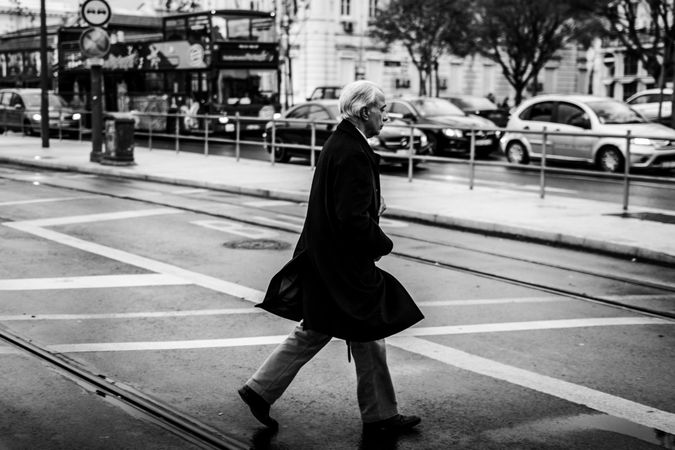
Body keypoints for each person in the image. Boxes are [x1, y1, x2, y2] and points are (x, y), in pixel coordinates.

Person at [238, 80, 424, 434]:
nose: (387, 114)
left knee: (323, 329)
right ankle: (380, 416)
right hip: (344, 264)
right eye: (382, 108)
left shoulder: (340, 143)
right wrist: (381, 242)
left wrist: (371, 202)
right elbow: (350, 217)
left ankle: (260, 390)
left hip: (326, 258)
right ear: (364, 110)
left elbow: (342, 202)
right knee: (362, 327)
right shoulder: (352, 151)